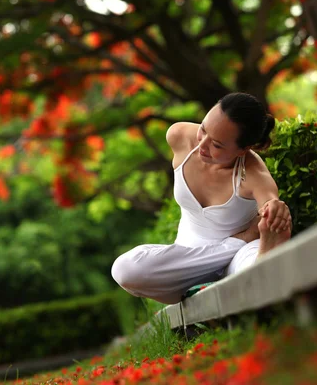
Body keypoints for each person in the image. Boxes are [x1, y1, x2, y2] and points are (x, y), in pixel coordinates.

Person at [111, 92, 292, 305]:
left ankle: (248, 267)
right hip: (187, 263)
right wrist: (246, 235)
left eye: (217, 144)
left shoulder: (254, 175)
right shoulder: (178, 136)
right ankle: (236, 252)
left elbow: (270, 203)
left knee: (254, 262)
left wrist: (275, 212)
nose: (202, 145)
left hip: (237, 261)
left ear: (243, 149)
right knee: (125, 270)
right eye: (203, 129)